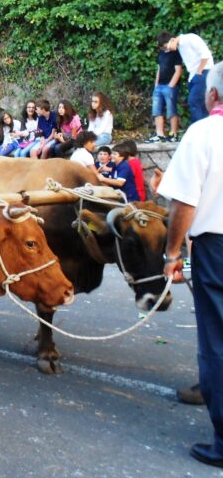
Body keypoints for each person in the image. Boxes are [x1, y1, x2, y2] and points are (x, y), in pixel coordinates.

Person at [158, 61, 223, 468]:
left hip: (216, 247)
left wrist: (172, 253)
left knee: (217, 343)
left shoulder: (204, 133)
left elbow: (184, 203)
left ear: (212, 94)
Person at [157, 30, 215, 124]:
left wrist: (199, 71)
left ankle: (198, 131)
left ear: (172, 40)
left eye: (166, 47)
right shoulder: (180, 46)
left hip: (204, 72)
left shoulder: (190, 38)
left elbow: (206, 55)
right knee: (199, 104)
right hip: (193, 76)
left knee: (194, 101)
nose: (168, 50)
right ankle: (200, 131)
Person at [148, 38, 183, 142]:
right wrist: (156, 85)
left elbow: (178, 70)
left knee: (171, 110)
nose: (162, 47)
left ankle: (174, 134)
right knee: (156, 110)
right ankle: (160, 135)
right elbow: (159, 69)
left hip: (170, 86)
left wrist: (171, 85)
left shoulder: (175, 53)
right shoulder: (161, 53)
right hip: (160, 86)